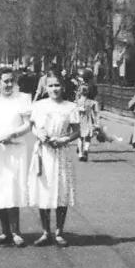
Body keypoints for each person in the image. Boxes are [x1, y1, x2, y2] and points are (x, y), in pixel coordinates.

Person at [0, 67, 33, 247]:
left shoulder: (22, 99)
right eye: (5, 81)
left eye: (11, 81)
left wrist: (13, 135)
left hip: (15, 150)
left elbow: (27, 125)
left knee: (13, 188)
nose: (9, 84)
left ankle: (16, 231)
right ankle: (5, 231)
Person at [29, 70, 80, 247]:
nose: (54, 89)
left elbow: (76, 131)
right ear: (45, 87)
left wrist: (64, 139)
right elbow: (33, 127)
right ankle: (45, 231)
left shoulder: (70, 107)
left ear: (63, 87)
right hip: (44, 151)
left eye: (57, 85)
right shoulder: (39, 106)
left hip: (61, 151)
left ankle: (59, 231)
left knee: (61, 190)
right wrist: (39, 135)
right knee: (44, 190)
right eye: (50, 86)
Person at [74, 82, 98, 162]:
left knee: (80, 138)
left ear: (79, 92)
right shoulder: (92, 102)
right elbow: (96, 113)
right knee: (88, 138)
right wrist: (96, 123)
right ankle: (86, 149)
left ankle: (80, 154)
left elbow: (73, 111)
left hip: (79, 122)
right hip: (88, 122)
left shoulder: (76, 102)